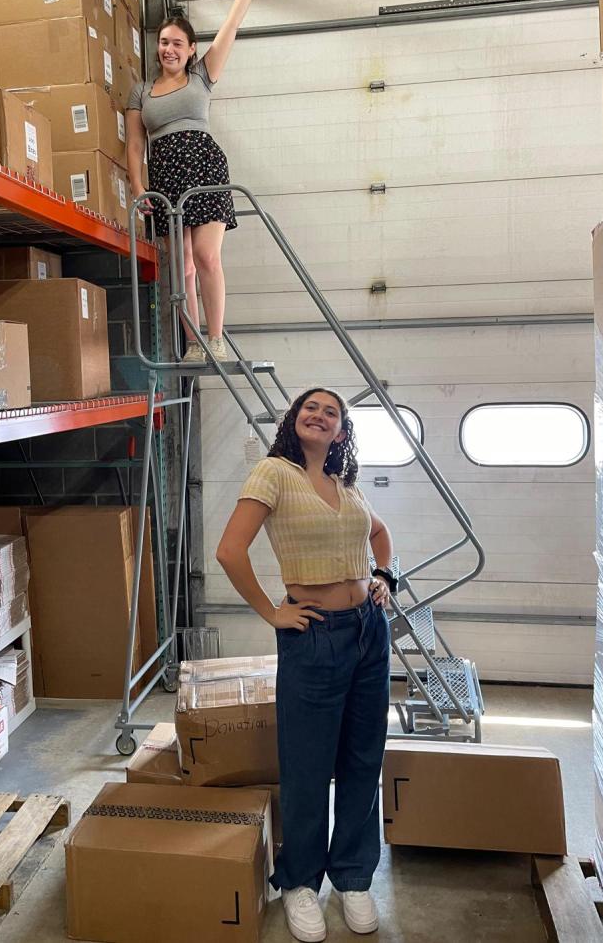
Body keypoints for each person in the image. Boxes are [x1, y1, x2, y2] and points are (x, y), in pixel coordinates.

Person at [216, 387, 395, 942]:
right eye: (309, 408)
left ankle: (354, 876)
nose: (319, 416)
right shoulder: (274, 473)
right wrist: (272, 611)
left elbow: (380, 535)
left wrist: (385, 576)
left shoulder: (345, 486)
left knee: (364, 758)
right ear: (294, 421)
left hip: (370, 631)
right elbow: (230, 550)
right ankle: (300, 882)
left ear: (340, 432)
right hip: (315, 635)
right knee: (308, 766)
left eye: (331, 412)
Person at [126, 0, 280, 364]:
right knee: (183, 271)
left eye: (178, 43)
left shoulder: (202, 75)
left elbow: (231, 24)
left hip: (205, 172)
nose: (169, 49)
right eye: (164, 42)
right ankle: (193, 344)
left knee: (206, 257)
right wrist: (141, 191)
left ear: (191, 49)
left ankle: (215, 338)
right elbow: (134, 147)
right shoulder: (141, 93)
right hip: (166, 182)